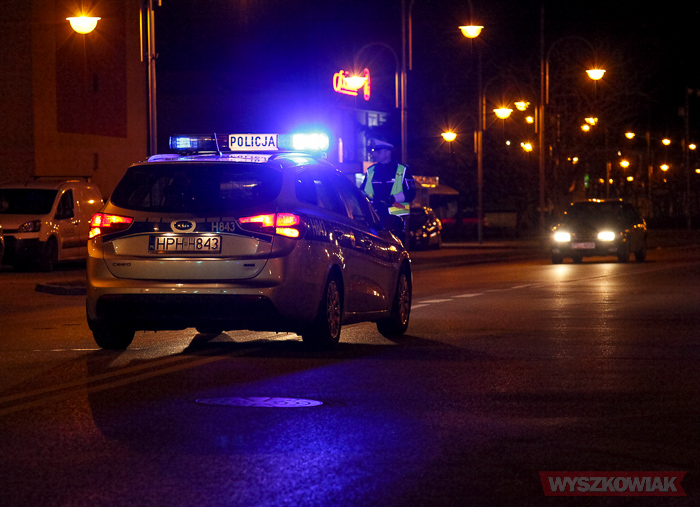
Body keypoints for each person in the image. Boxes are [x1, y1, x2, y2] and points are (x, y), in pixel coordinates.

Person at [360, 139, 416, 218]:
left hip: (396, 219)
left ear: (387, 153)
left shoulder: (402, 169)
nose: (374, 154)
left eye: (378, 152)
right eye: (374, 152)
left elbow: (410, 193)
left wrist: (391, 199)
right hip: (375, 217)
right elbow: (362, 192)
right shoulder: (371, 170)